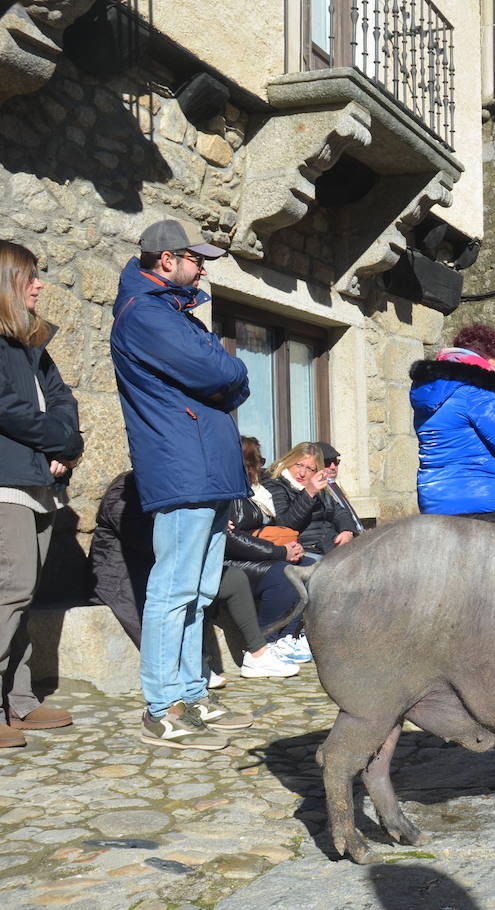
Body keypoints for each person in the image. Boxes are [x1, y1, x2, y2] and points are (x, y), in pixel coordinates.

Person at [111, 219, 254, 752]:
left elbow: (221, 373)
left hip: (204, 465)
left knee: (198, 590)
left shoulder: (174, 312)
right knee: (173, 590)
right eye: (196, 259)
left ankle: (192, 695)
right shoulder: (147, 314)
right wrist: (230, 372)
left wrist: (227, 372)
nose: (204, 268)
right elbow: (222, 375)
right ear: (166, 260)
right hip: (182, 466)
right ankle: (161, 705)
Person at [89, 471, 299, 682]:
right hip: (126, 569)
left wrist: (212, 523)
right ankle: (189, 664)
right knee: (183, 591)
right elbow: (145, 539)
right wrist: (201, 526)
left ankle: (258, 654)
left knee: (233, 579)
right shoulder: (124, 491)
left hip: (174, 562)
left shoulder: (170, 485)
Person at [0, 240, 82, 748]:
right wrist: (60, 440)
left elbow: (63, 400)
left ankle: (20, 701)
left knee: (26, 597)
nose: (40, 285)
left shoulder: (35, 345)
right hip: (5, 481)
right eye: (30, 276)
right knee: (11, 590)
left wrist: (65, 445)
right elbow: (6, 407)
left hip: (41, 483)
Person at [410, 325, 495, 523]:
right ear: (486, 360)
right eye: (493, 367)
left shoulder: (428, 391)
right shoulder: (476, 390)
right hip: (480, 501)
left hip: (433, 502)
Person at [225, 437, 311, 670]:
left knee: (311, 566)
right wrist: (280, 552)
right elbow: (232, 540)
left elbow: (273, 529)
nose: (262, 467)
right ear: (246, 464)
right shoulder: (230, 492)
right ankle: (266, 643)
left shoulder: (256, 491)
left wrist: (291, 547)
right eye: (258, 461)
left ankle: (288, 636)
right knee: (284, 574)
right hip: (233, 561)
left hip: (257, 554)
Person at [263, 442, 354, 556]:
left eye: (310, 469)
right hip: (304, 550)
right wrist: (308, 493)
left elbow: (340, 512)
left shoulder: (317, 487)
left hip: (329, 547)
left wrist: (347, 531)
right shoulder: (276, 484)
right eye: (298, 465)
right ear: (289, 462)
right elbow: (284, 525)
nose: (302, 473)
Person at [316, 442, 364, 536]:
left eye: (336, 462)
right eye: (327, 463)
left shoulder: (334, 485)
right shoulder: (319, 490)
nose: (333, 467)